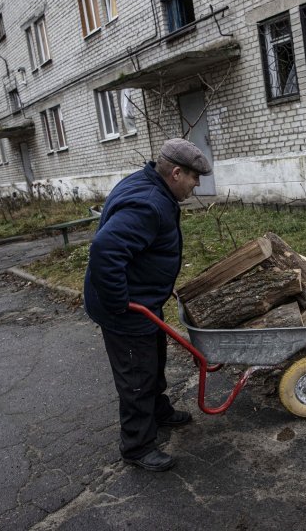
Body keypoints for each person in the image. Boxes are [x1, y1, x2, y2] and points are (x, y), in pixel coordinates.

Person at [84, 138, 213, 472]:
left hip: (142, 299)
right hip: (126, 308)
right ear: (175, 172)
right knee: (136, 377)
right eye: (194, 177)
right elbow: (105, 251)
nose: (197, 184)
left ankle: (159, 410)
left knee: (153, 360)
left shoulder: (147, 184)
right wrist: (119, 305)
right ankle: (138, 447)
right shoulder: (149, 203)